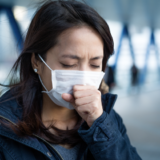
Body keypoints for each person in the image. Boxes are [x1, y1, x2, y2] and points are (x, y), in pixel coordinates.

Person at [0, 1, 142, 160]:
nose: (83, 78)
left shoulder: (107, 118)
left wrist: (100, 126)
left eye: (95, 64)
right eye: (69, 64)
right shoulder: (4, 128)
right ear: (36, 62)